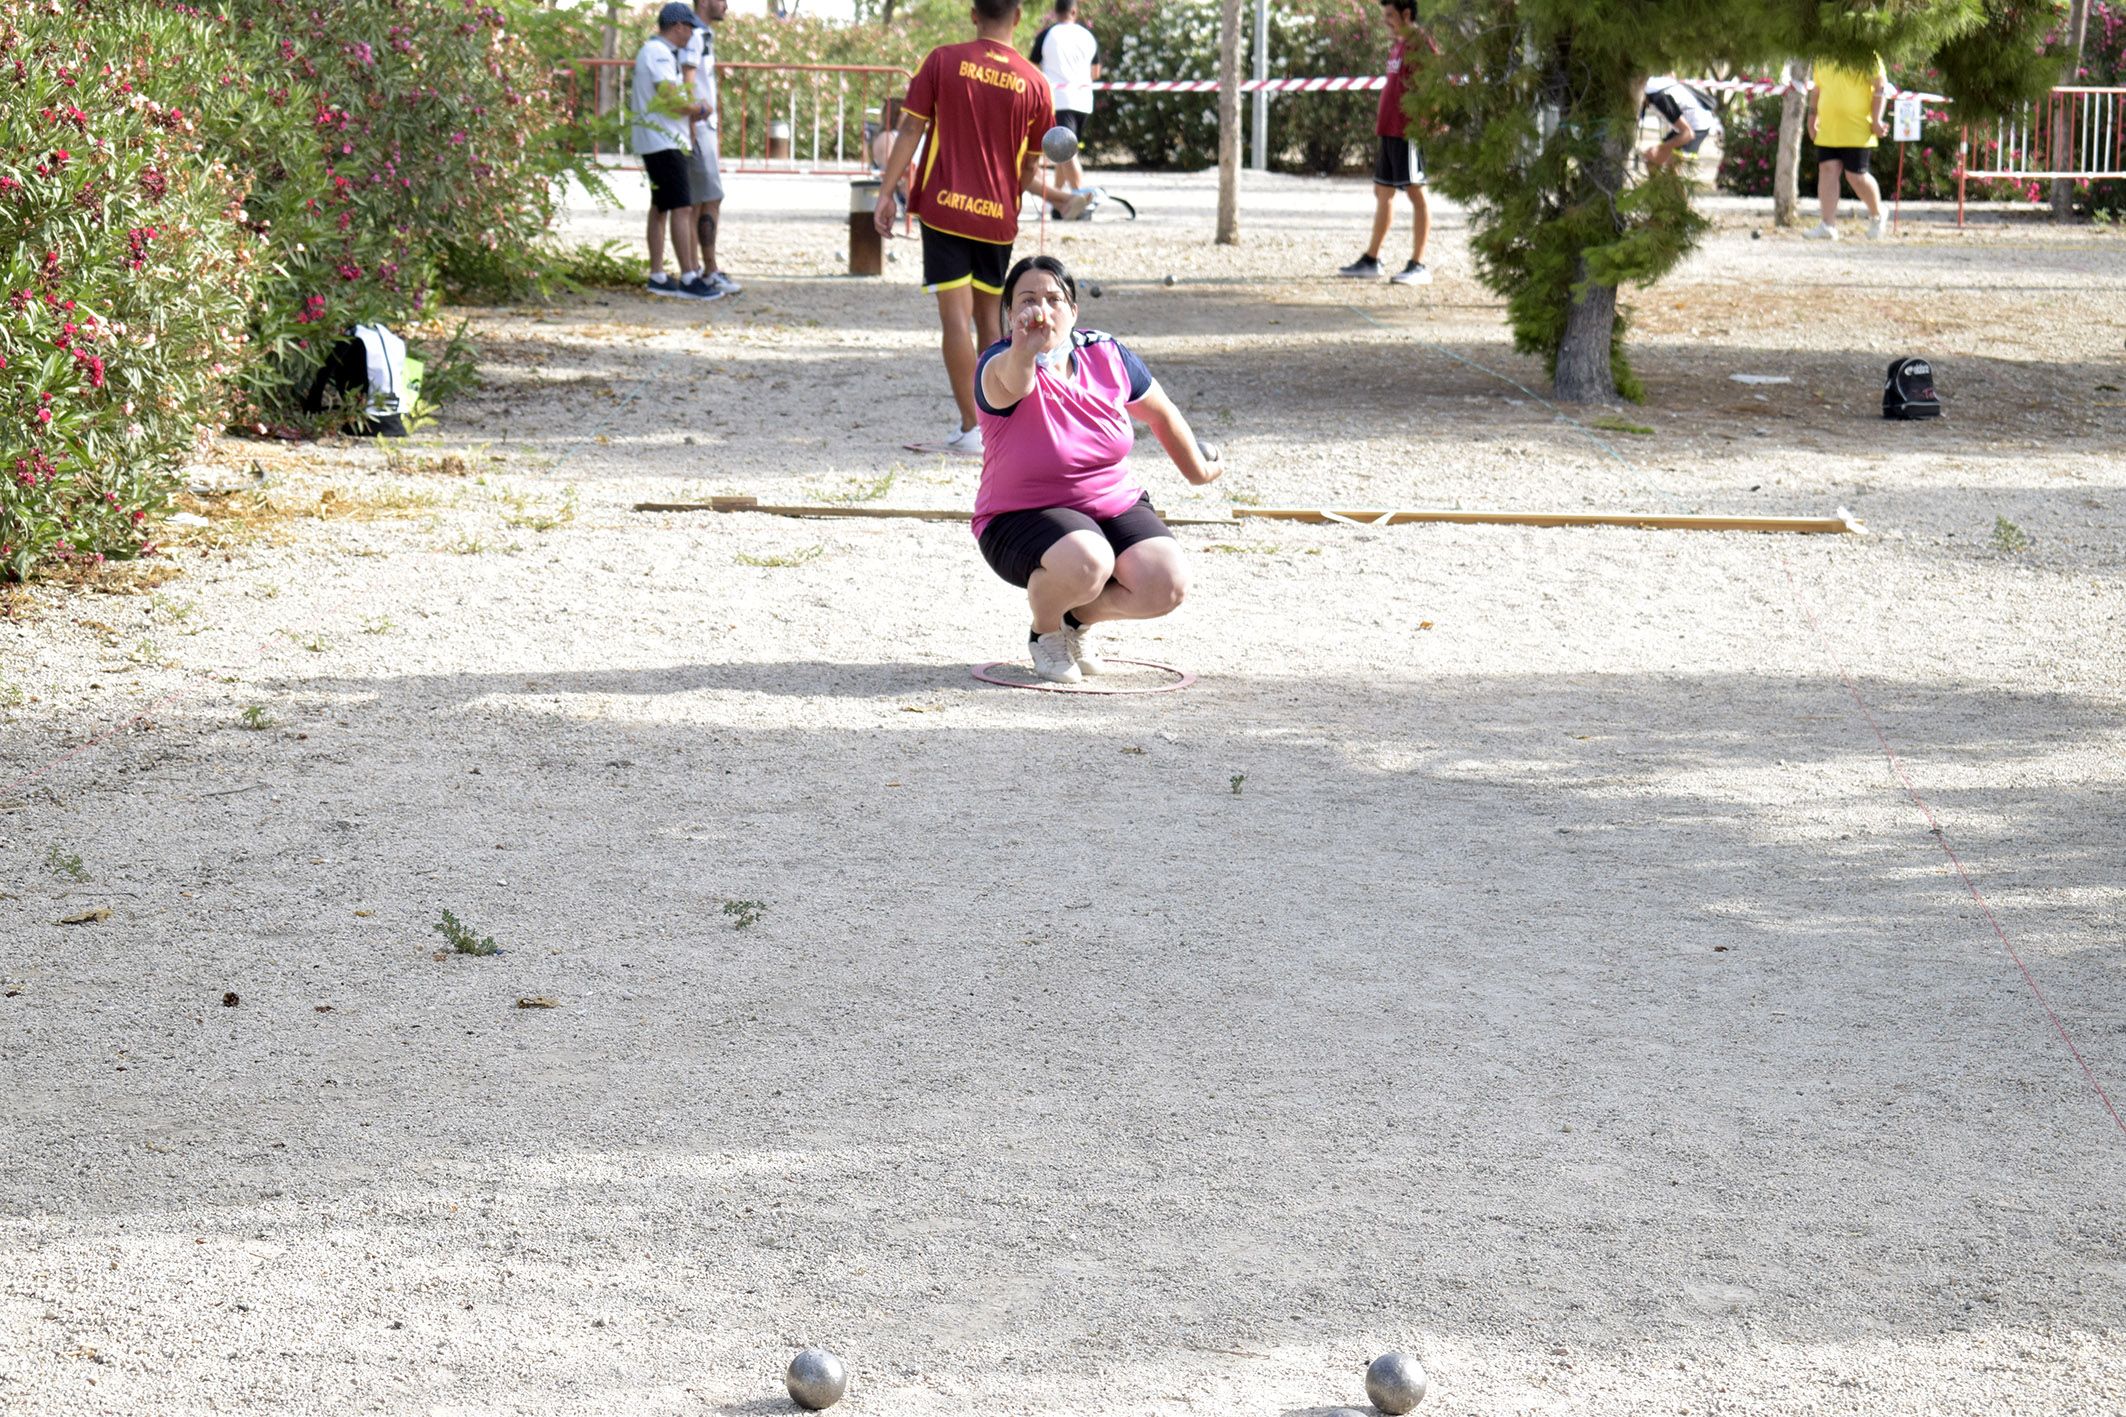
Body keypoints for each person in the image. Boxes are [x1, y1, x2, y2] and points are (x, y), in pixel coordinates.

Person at [973, 255, 1222, 684]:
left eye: (1054, 299)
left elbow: (1160, 414)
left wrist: (1199, 471)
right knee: (1089, 560)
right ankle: (1045, 631)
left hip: (1110, 502)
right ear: (1010, 314)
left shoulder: (1105, 353)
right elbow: (1018, 382)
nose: (1042, 310)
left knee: (1167, 583)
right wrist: (1025, 350)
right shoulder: (999, 363)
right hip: (1019, 514)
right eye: (1027, 301)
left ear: (1074, 311)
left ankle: (1078, 617)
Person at [874, 0, 1092, 457]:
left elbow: (908, 132)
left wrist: (885, 193)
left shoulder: (941, 60)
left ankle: (972, 426)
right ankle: (999, 423)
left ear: (974, 14)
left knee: (954, 320)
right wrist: (1048, 197)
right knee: (991, 322)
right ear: (1017, 17)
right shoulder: (1034, 82)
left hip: (943, 209)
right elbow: (1029, 166)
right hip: (997, 217)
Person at [1337, 0, 1436, 285]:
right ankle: (1372, 259)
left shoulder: (1420, 44)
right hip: (1389, 130)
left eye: (1390, 15)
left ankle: (1418, 264)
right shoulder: (1399, 44)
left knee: (1416, 193)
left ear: (1407, 14)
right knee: (1383, 192)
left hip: (1407, 132)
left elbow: (1433, 84)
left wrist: (1427, 119)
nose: (1386, 22)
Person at [630, 3, 716, 299]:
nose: (691, 33)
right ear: (677, 26)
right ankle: (689, 277)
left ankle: (657, 274)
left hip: (656, 139)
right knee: (681, 207)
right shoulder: (658, 54)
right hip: (663, 141)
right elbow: (670, 98)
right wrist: (699, 110)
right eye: (689, 27)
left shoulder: (657, 53)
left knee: (661, 206)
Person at [679, 0, 740, 297]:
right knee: (707, 199)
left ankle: (703, 269)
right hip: (699, 126)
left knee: (704, 200)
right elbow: (688, 77)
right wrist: (692, 120)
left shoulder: (701, 35)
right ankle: (704, 271)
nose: (726, 5)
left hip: (704, 126)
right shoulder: (694, 35)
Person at [1805, 53, 1891, 241]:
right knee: (1827, 169)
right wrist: (1811, 118)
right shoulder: (1822, 56)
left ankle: (1878, 214)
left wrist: (1877, 119)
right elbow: (1817, 90)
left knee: (1856, 175)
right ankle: (1827, 225)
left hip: (1857, 127)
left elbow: (1880, 87)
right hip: (1829, 128)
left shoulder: (1868, 55)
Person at [1029, 0, 1101, 203]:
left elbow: (1032, 68)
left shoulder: (1047, 35)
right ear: (1074, 11)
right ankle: (1058, 199)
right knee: (1066, 151)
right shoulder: (1088, 36)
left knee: (1066, 152)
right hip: (1084, 100)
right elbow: (1095, 72)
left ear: (1055, 11)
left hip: (1059, 100)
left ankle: (1079, 197)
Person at [1641, 75, 1721, 171]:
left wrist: (1659, 148)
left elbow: (1688, 134)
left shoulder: (1659, 97)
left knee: (1672, 169)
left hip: (1698, 127)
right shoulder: (1653, 85)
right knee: (1652, 161)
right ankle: (1656, 185)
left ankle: (1666, 184)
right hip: (1689, 125)